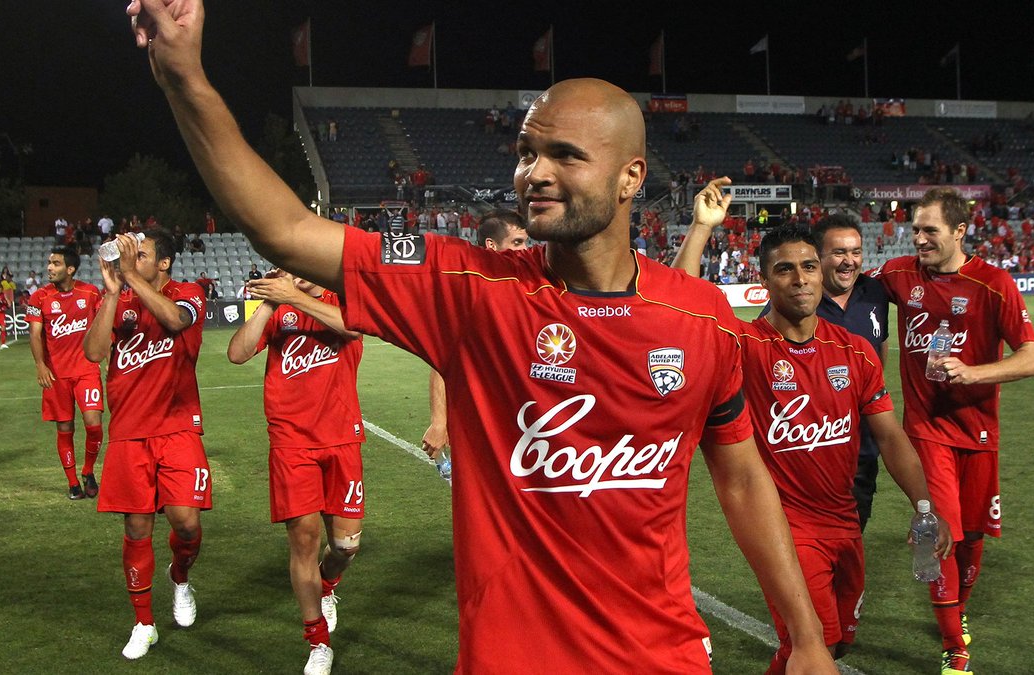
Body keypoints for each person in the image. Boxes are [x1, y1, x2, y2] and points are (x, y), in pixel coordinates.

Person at [128, 4, 835, 672]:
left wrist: (804, 635)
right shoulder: (471, 288)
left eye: (564, 154)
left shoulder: (702, 315)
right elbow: (282, 228)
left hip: (664, 654)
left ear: (631, 178)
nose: (535, 173)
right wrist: (187, 80)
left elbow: (741, 476)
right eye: (526, 152)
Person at [683, 221, 950, 672]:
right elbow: (685, 301)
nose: (801, 278)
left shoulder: (855, 352)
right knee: (815, 643)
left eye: (808, 266)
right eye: (785, 269)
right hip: (785, 530)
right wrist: (701, 227)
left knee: (835, 644)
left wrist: (925, 506)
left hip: (844, 524)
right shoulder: (744, 345)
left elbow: (888, 435)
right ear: (763, 279)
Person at [869, 187, 1034, 674]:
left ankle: (955, 611)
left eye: (930, 230)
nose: (919, 239)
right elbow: (850, 293)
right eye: (915, 230)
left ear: (960, 231)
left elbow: (1032, 358)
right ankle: (953, 647)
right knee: (933, 530)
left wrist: (974, 372)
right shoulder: (900, 275)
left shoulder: (993, 283)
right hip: (925, 430)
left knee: (970, 537)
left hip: (980, 432)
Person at [227, 270, 365, 675]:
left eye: (296, 266)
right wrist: (271, 302)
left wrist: (295, 295)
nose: (289, 273)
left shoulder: (341, 299)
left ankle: (327, 586)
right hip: (291, 444)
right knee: (303, 542)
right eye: (283, 267)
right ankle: (317, 640)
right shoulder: (277, 311)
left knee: (346, 548)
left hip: (341, 439)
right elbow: (237, 353)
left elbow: (354, 328)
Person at [83, 230, 210, 660]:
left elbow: (176, 320)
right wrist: (112, 294)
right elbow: (94, 352)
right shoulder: (121, 298)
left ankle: (180, 578)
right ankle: (144, 623)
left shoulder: (188, 293)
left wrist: (131, 278)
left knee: (186, 523)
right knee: (137, 529)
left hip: (177, 428)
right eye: (128, 254)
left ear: (165, 262)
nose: (132, 259)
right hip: (129, 432)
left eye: (142, 254)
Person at [421, 209, 528, 460]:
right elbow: (442, 360)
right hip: (480, 420)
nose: (525, 249)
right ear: (491, 245)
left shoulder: (529, 287)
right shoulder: (469, 294)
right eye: (517, 243)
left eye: (526, 242)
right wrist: (439, 422)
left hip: (526, 418)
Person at [27, 247, 106, 500]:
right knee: (65, 428)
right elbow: (35, 333)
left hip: (86, 370)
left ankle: (88, 470)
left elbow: (103, 326)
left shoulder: (90, 293)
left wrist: (109, 356)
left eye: (56, 263)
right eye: (49, 263)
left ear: (70, 269)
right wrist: (40, 365)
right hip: (57, 375)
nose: (49, 267)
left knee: (94, 426)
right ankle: (73, 483)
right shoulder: (39, 297)